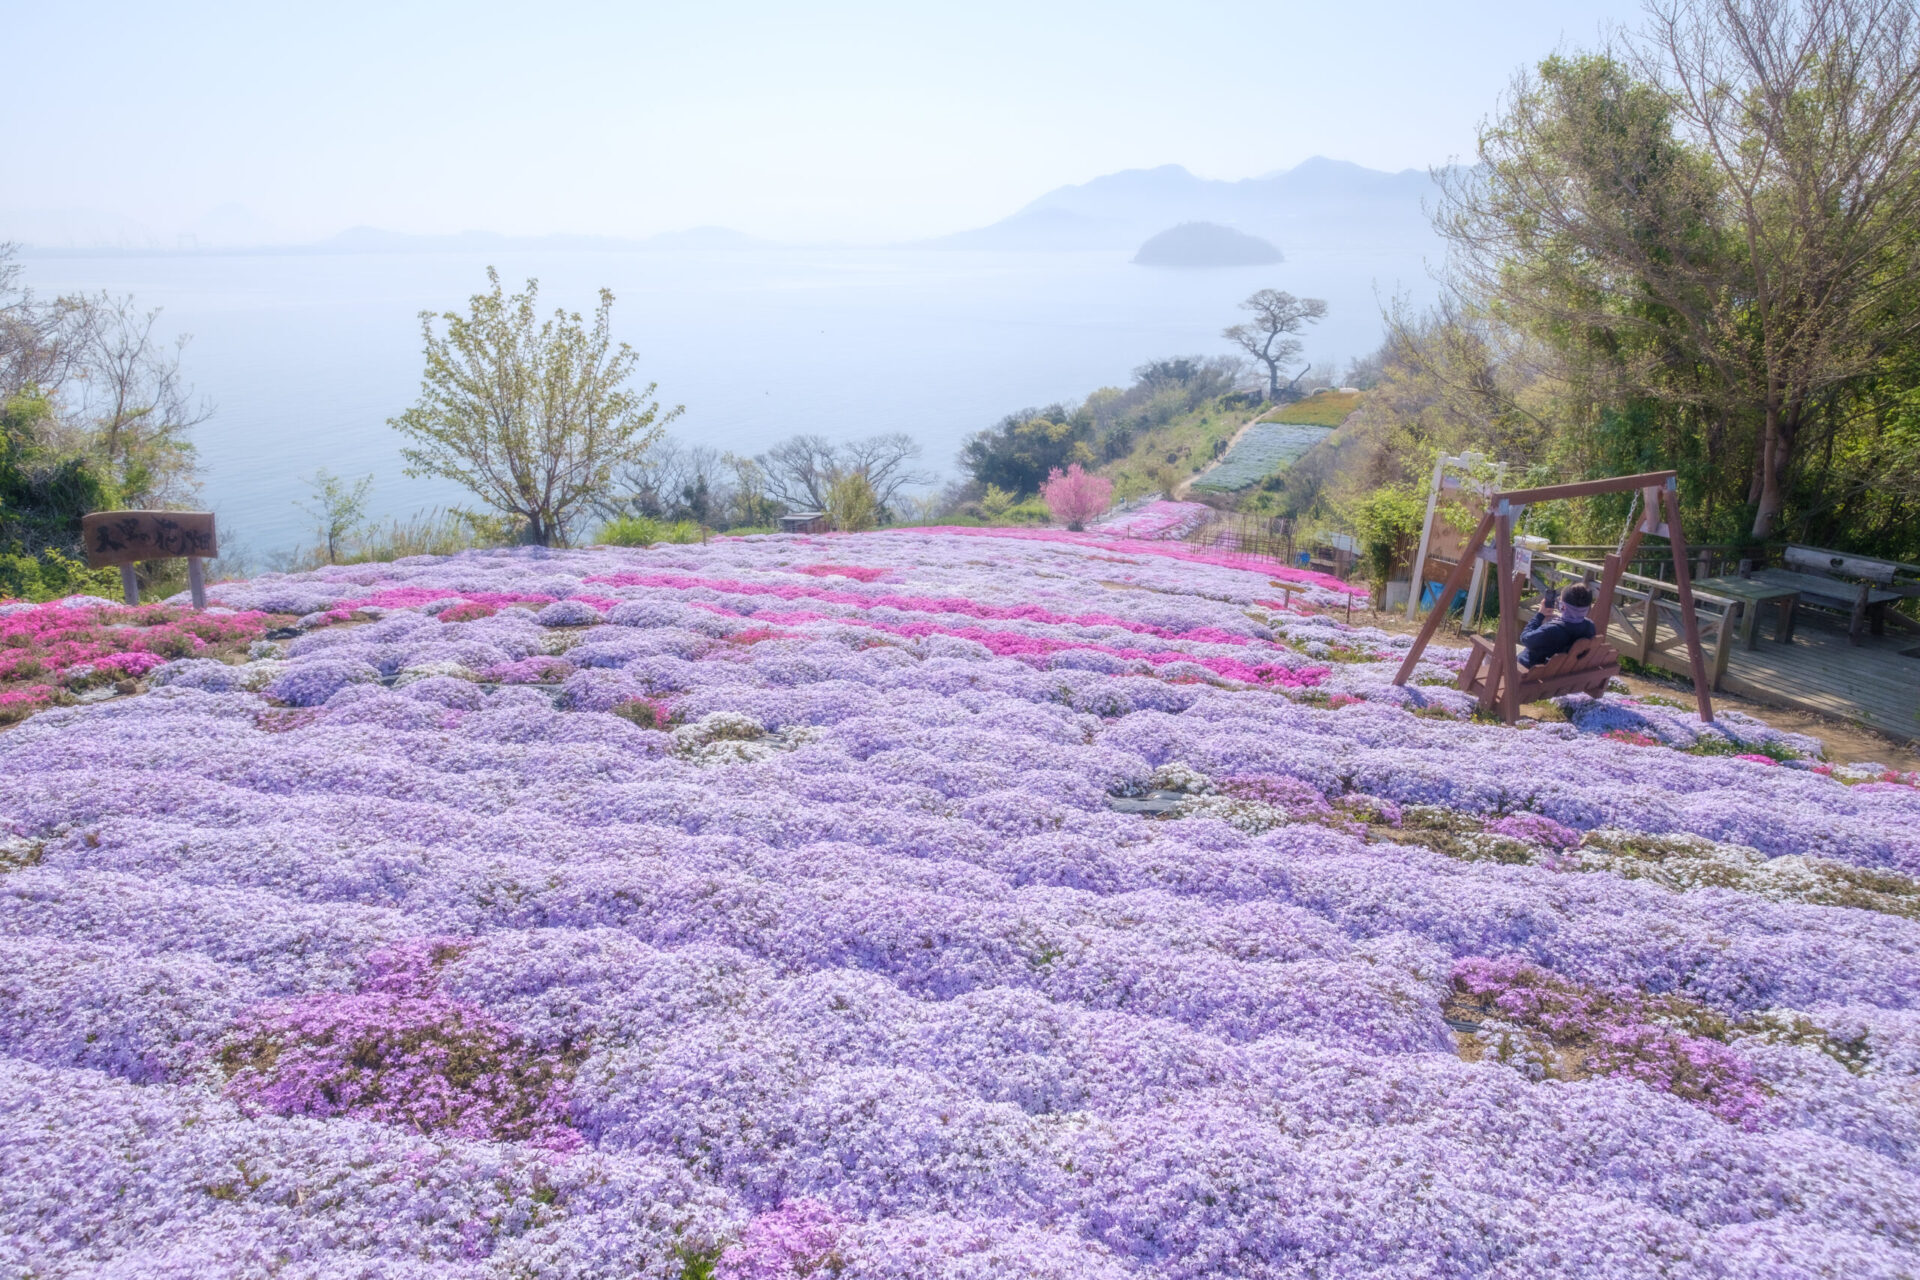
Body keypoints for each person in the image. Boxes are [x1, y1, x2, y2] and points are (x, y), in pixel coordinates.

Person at [1518, 582, 1595, 668]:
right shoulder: (1590, 626)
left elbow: (1525, 638)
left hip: (1530, 672)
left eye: (1560, 600)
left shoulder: (1551, 630)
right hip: (1563, 674)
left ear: (1563, 607)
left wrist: (1539, 615)